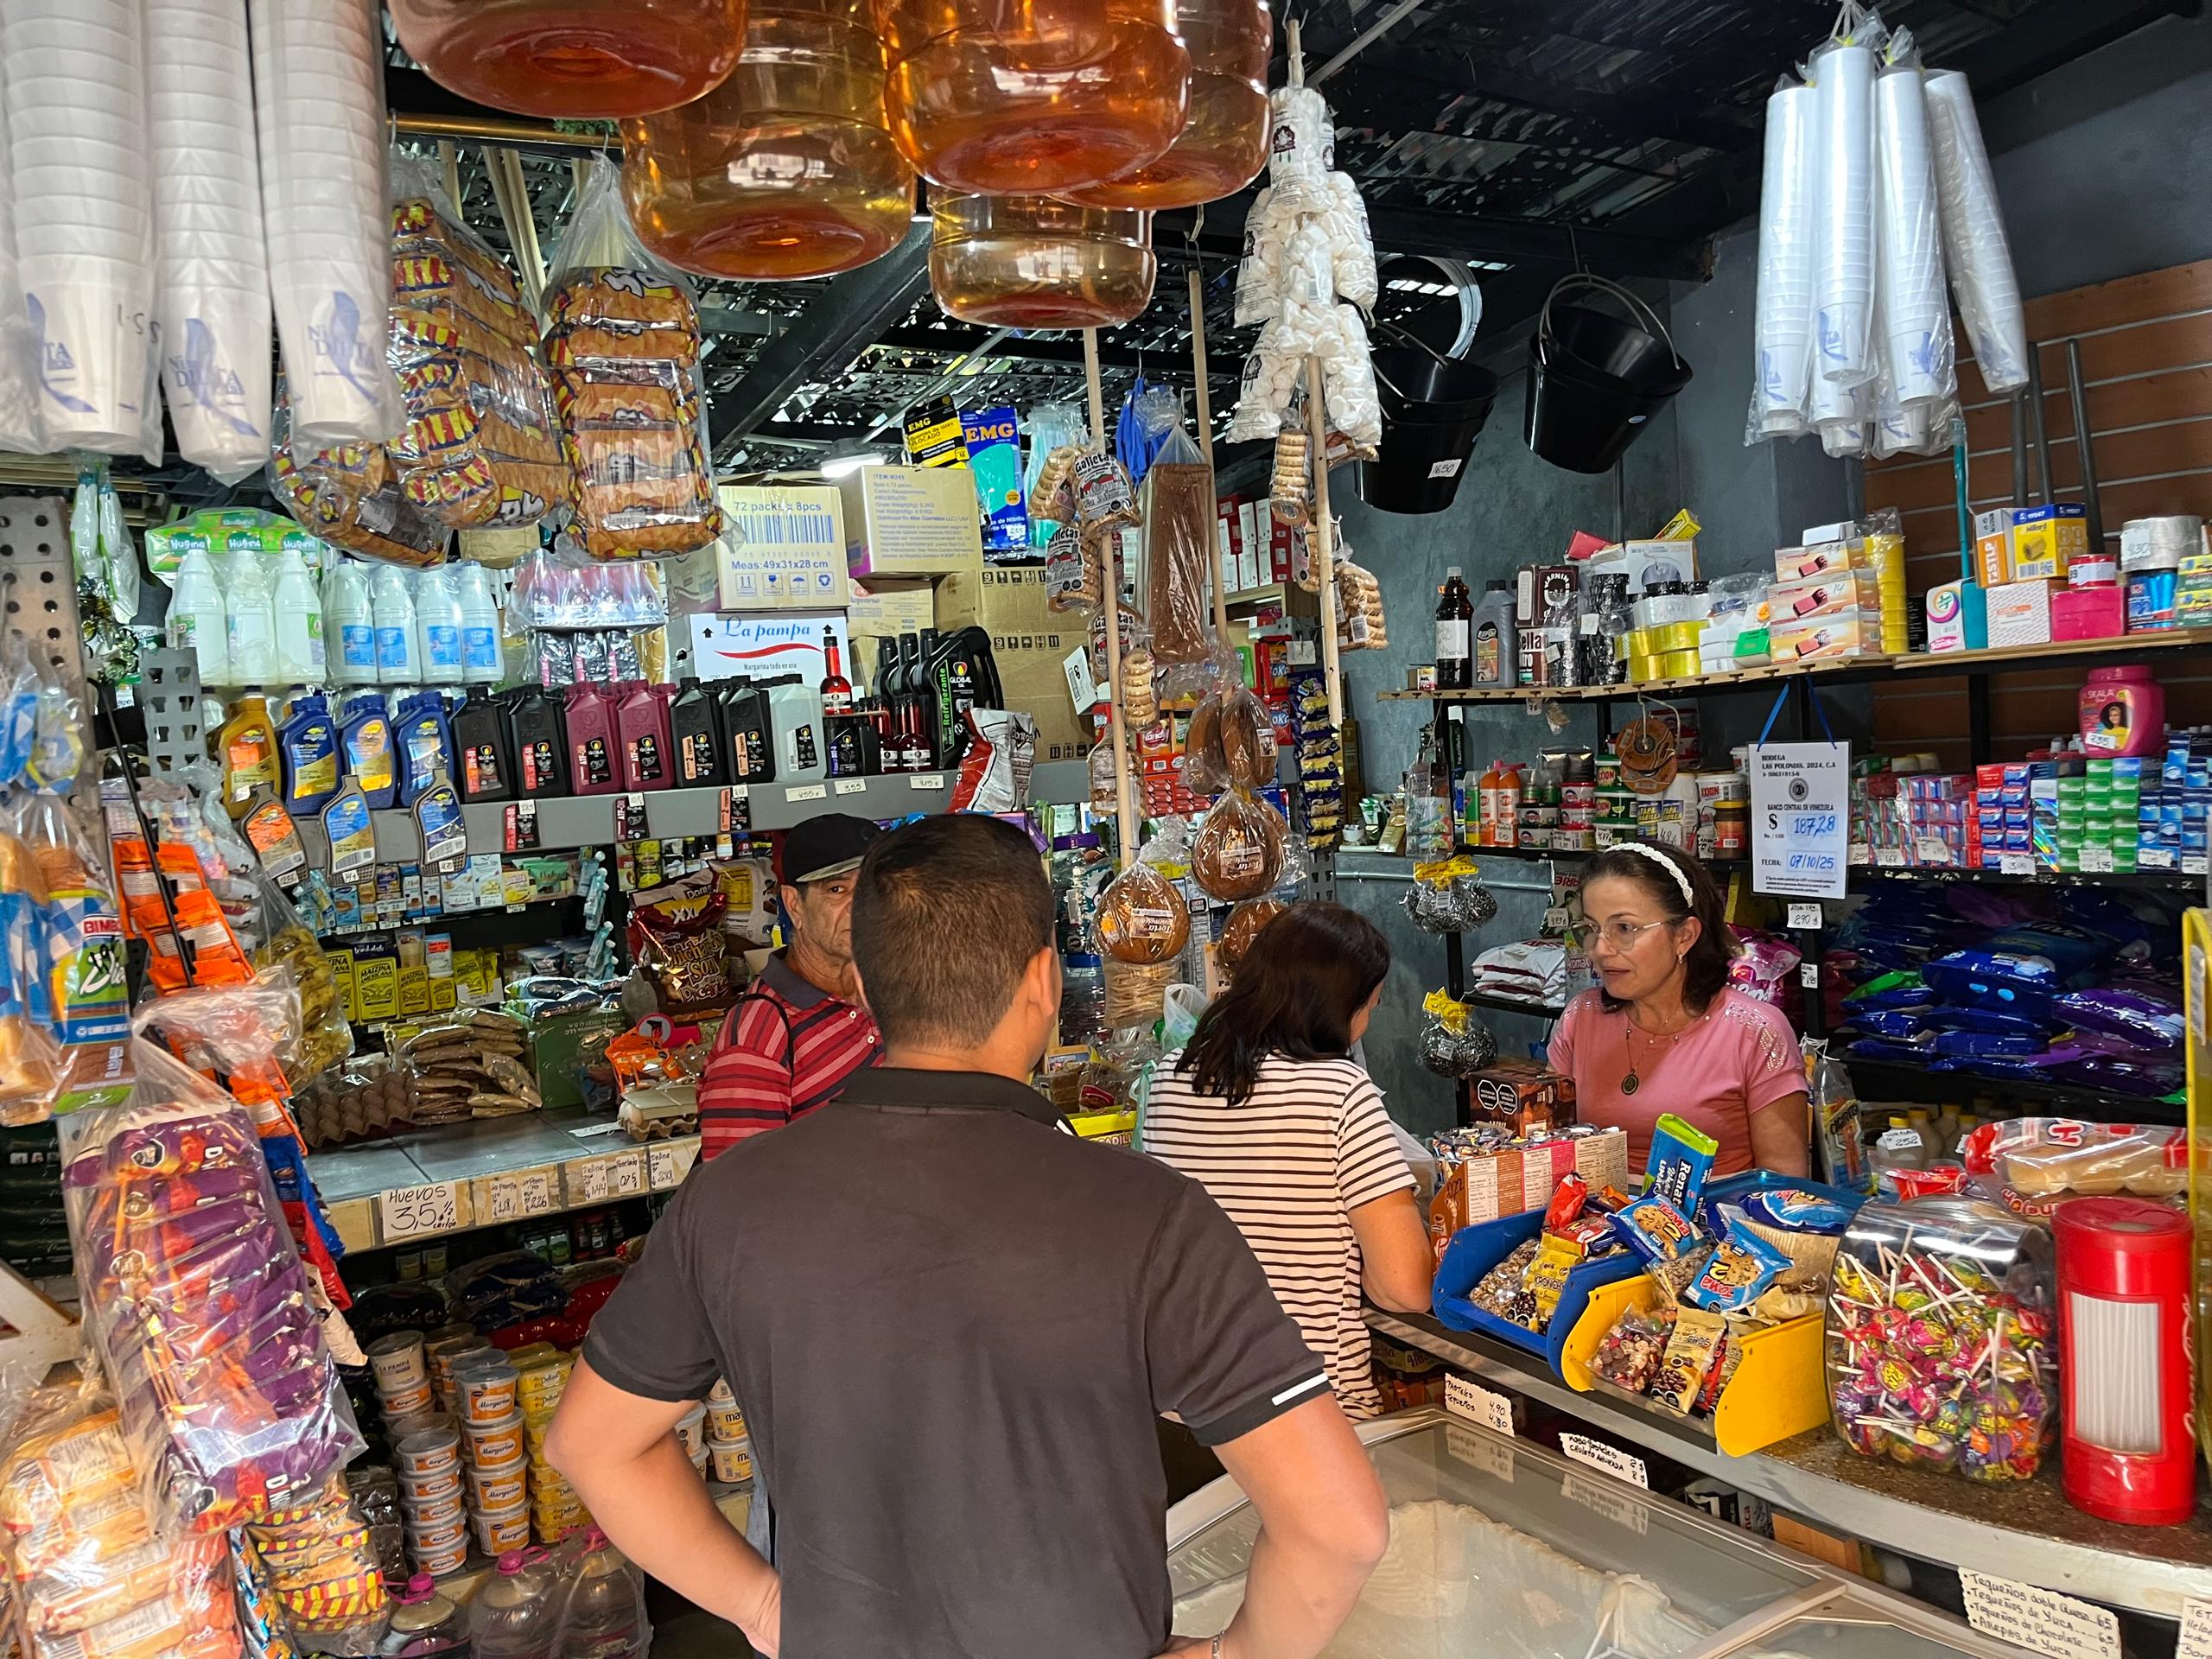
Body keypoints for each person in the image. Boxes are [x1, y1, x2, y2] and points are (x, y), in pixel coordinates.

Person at [546, 815, 1389, 1659]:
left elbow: (591, 1445)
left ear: (869, 993)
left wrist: (762, 1608)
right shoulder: (1148, 1215)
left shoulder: (727, 1202)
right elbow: (1339, 1528)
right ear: (1044, 983)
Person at [1146, 903, 1433, 1422]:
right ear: (1339, 1007)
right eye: (1368, 1007)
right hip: (1306, 1411)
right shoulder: (1339, 1093)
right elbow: (1405, 1286)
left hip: (1186, 1402)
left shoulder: (1171, 1077)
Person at [1549, 841, 1809, 1178]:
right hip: (1596, 1224)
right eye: (1591, 929)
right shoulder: (1581, 1017)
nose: (1601, 949)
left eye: (1624, 929)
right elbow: (1551, 1146)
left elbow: (1784, 1183)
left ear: (1684, 936)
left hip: (1719, 1225)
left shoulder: (1755, 1031)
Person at [696, 812, 883, 1160]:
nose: (861, 907)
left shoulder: (889, 992)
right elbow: (737, 1195)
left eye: (873, 887)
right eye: (837, 889)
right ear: (794, 905)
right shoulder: (757, 1042)